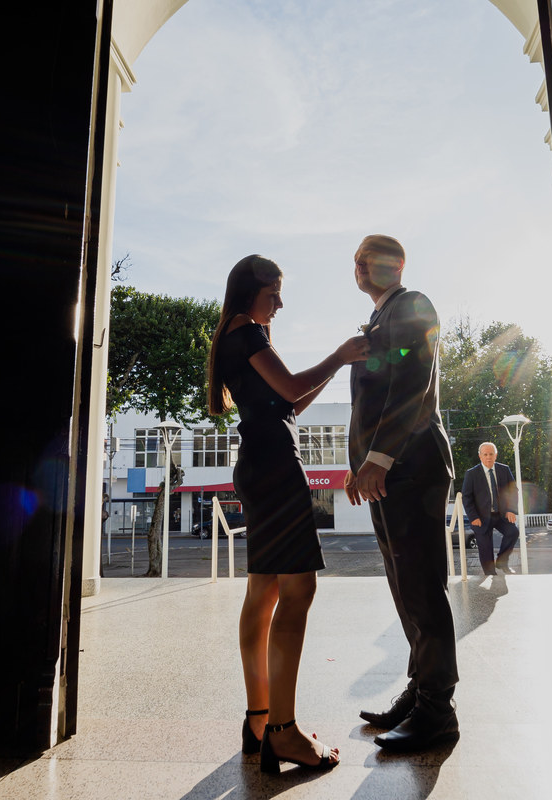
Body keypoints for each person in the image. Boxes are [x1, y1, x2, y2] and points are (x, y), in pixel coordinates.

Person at [207, 254, 368, 774]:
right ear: (251, 291)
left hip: (257, 465)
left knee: (264, 592)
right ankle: (283, 730)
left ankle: (260, 720)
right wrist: (340, 355)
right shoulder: (249, 332)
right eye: (274, 291)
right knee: (298, 591)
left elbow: (288, 403)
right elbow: (294, 388)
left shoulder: (236, 334)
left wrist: (332, 369)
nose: (280, 301)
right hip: (276, 470)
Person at [343, 235, 459, 752]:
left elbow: (413, 382)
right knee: (404, 586)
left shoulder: (413, 305)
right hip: (390, 470)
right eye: (359, 258)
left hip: (412, 465)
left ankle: (438, 710)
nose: (363, 265)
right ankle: (419, 691)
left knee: (422, 587)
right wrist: (359, 465)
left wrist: (379, 456)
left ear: (399, 265)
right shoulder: (379, 319)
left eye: (373, 257)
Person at [461, 442, 521, 576]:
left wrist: (511, 509)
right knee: (485, 548)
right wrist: (473, 517)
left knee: (513, 532)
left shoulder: (504, 469)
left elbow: (513, 491)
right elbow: (467, 498)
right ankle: (490, 574)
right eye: (485, 454)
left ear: (496, 455)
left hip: (501, 515)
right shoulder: (471, 474)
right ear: (480, 456)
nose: (488, 457)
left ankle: (502, 561)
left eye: (491, 454)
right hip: (481, 518)